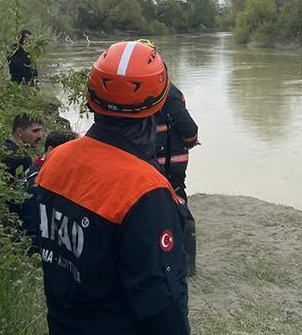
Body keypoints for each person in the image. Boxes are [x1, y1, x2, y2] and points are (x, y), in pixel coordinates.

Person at [35, 41, 190, 335]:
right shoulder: (146, 189)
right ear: (158, 108)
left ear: (90, 100)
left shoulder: (54, 161)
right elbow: (161, 305)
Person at [155, 81, 200, 276]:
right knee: (178, 207)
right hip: (168, 164)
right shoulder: (169, 92)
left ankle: (178, 262)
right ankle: (185, 264)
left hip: (154, 162)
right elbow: (189, 129)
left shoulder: (122, 91)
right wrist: (190, 142)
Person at [16, 130, 78, 243]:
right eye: (69, 153)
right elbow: (30, 227)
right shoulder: (37, 181)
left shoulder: (35, 169)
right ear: (51, 150)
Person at [1, 113, 44, 178]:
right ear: (19, 132)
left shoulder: (2, 147)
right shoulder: (21, 158)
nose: (40, 136)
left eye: (41, 131)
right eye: (35, 131)